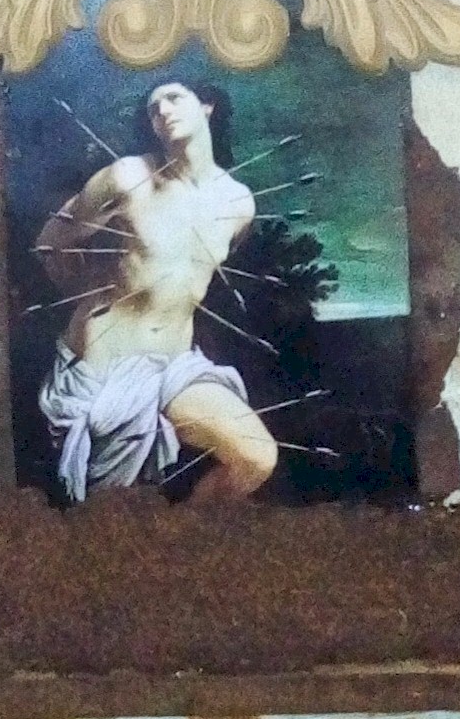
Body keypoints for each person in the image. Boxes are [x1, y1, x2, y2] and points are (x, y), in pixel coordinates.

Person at [33, 80, 279, 504]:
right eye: (153, 108)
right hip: (103, 375)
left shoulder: (239, 204)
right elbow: (50, 244)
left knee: (255, 459)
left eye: (174, 98)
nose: (162, 110)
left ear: (207, 106)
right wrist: (92, 294)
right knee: (110, 520)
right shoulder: (128, 177)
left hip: (175, 369)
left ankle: (186, 531)